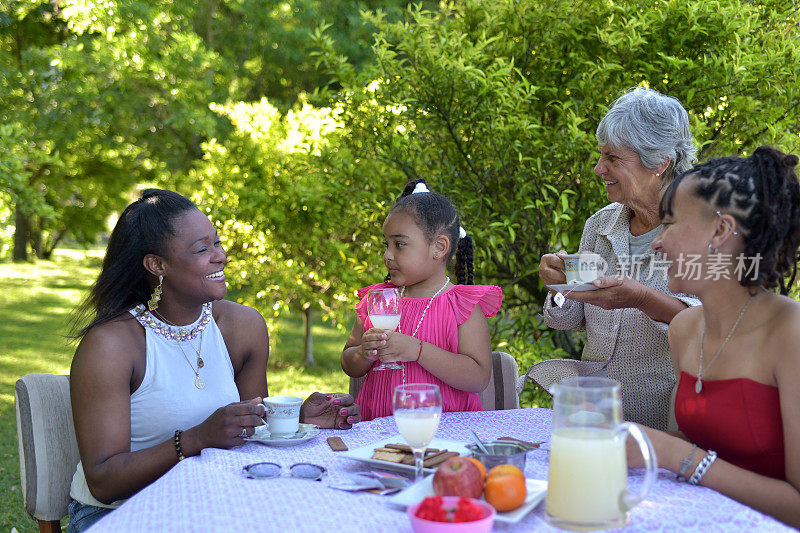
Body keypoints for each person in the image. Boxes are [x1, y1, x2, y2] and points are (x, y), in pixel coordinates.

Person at [67, 189, 360, 532]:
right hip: (118, 513)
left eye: (217, 243)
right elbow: (103, 482)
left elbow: (252, 427)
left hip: (209, 498)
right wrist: (194, 439)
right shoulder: (112, 345)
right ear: (157, 265)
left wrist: (295, 419)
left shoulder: (242, 326)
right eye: (202, 249)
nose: (220, 256)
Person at [634, 146, 800, 528]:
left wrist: (674, 454)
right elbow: (708, 442)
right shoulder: (684, 329)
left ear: (721, 230)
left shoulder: (789, 332)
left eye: (670, 223)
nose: (657, 242)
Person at [537, 87, 700, 430]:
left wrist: (639, 298)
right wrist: (560, 287)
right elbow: (569, 320)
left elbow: (706, 325)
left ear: (659, 162)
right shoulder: (600, 224)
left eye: (612, 159)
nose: (598, 169)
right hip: (592, 411)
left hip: (664, 416)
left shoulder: (699, 228)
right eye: (600, 156)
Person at [341, 179, 502, 421]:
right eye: (387, 244)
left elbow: (478, 377)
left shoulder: (461, 305)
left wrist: (416, 350)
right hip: (379, 430)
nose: (387, 255)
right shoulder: (379, 300)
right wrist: (364, 352)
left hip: (446, 433)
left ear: (439, 247)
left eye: (399, 244)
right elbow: (348, 363)